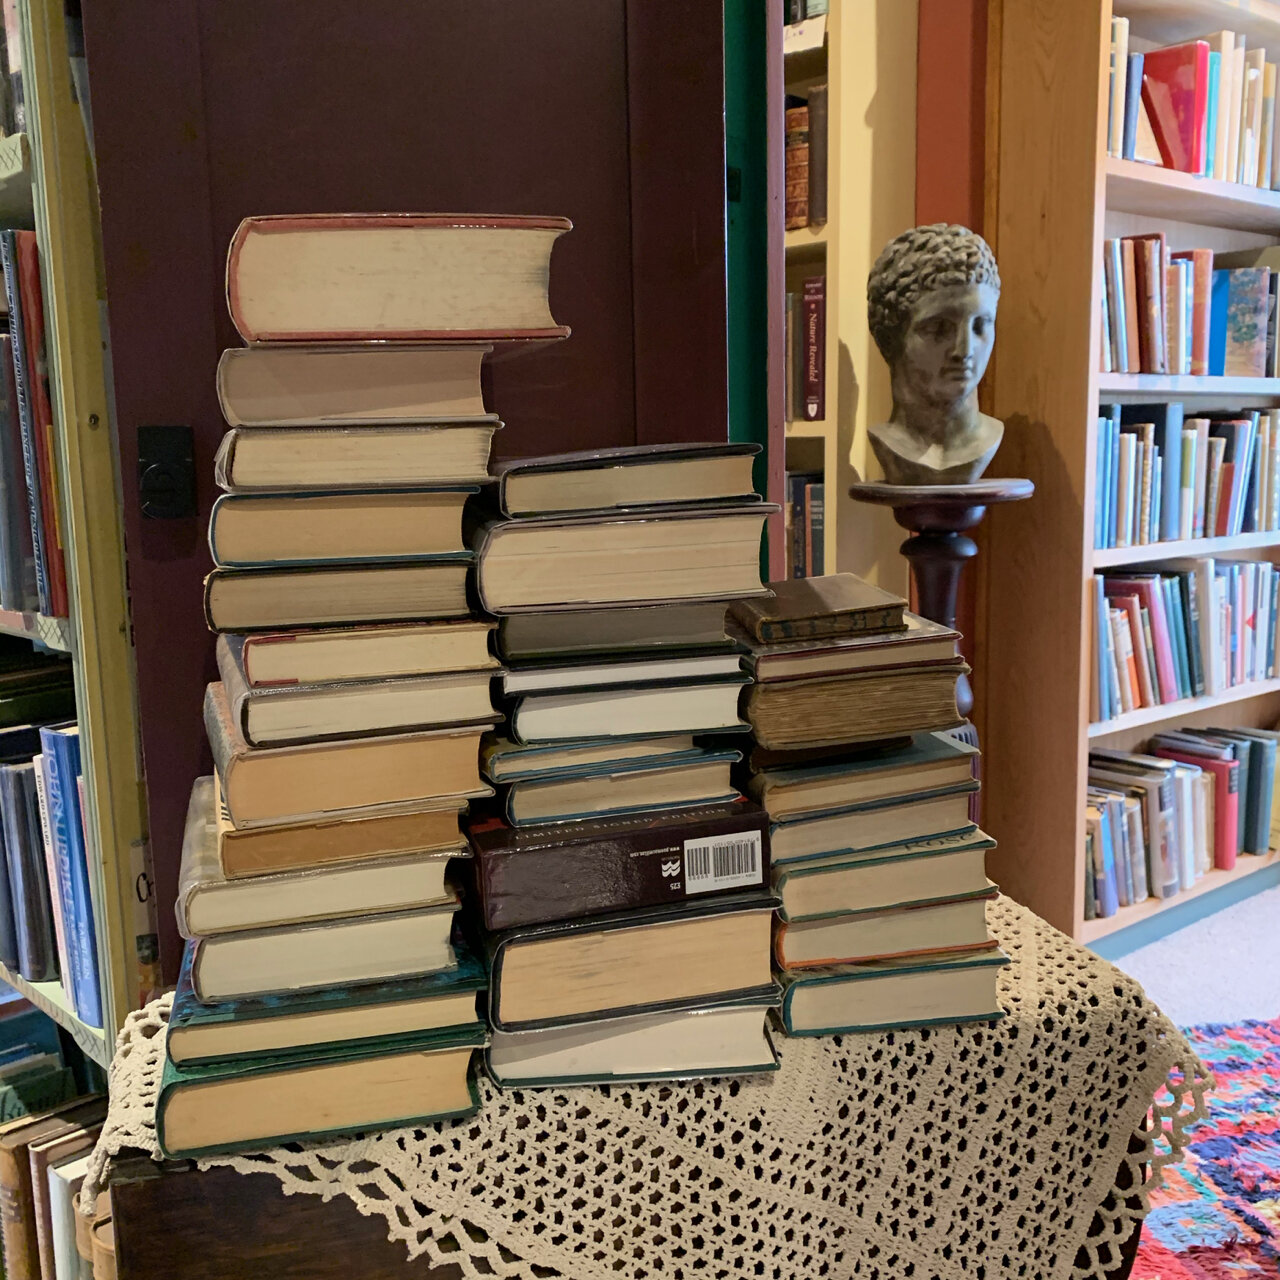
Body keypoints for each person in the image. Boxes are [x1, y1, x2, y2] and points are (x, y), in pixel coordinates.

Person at [865, 223, 1003, 485]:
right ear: (890, 338)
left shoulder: (989, 438)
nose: (964, 350)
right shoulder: (890, 445)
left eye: (980, 326)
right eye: (939, 329)